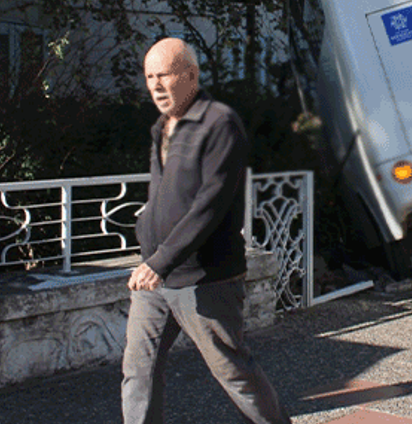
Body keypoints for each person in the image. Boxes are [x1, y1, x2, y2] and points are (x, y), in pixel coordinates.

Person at [122, 38, 291, 424]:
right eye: (149, 77)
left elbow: (210, 204)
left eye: (164, 75)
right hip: (155, 277)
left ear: (191, 75)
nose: (155, 85)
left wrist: (161, 261)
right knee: (138, 371)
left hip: (205, 277)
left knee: (234, 372)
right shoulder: (162, 127)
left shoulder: (218, 124)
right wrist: (146, 235)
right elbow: (162, 194)